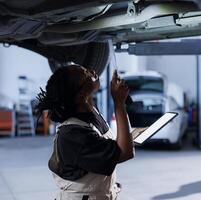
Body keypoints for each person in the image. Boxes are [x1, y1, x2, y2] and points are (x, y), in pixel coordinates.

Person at [35, 65, 134, 200]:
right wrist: (119, 103)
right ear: (81, 95)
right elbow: (124, 152)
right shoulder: (72, 134)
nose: (93, 71)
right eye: (86, 74)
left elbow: (110, 151)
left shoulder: (92, 115)